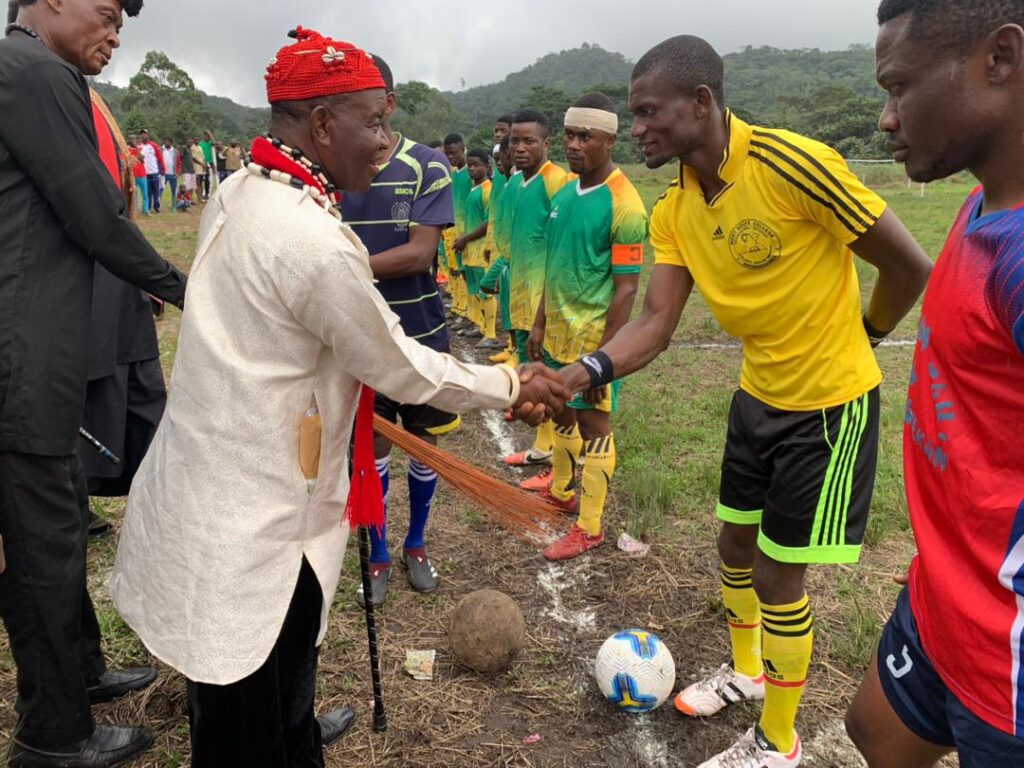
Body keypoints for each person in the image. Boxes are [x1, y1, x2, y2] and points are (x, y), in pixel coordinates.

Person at [108, 28, 567, 768]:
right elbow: (402, 367)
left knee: (264, 696)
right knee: (247, 710)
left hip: (222, 486)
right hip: (257, 517)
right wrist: (512, 382)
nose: (386, 142)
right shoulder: (312, 242)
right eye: (374, 122)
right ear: (322, 126)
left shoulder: (239, 192)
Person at [552, 35, 932, 768]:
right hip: (756, 400)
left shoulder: (793, 163)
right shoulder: (674, 209)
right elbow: (656, 322)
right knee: (733, 546)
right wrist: (583, 371)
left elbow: (908, 264)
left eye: (649, 112)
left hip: (828, 407)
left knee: (777, 573)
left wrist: (868, 332)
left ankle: (778, 742)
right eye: (633, 116)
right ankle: (750, 673)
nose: (639, 130)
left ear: (702, 103)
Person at [0, 0, 189, 764]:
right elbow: (98, 215)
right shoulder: (34, 72)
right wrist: (193, 289)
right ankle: (53, 735)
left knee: (61, 519)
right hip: (22, 360)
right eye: (107, 13)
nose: (115, 34)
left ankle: (80, 672)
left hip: (42, 352)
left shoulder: (36, 72)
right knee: (42, 545)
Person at [844, 3, 1024, 766]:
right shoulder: (983, 201)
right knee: (872, 731)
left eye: (900, 87)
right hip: (944, 594)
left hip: (1006, 658)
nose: (885, 119)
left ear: (1001, 59)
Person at [339, 54, 462, 607]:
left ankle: (416, 544)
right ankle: (380, 552)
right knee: (374, 446)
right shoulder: (334, 169)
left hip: (420, 333)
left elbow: (419, 254)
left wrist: (341, 265)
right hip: (360, 336)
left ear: (387, 101)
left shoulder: (428, 165)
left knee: (423, 445)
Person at [528, 93, 647, 561]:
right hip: (555, 333)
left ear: (610, 140)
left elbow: (627, 291)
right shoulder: (563, 195)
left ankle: (590, 526)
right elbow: (553, 266)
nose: (574, 145)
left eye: (585, 136)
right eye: (570, 135)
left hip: (592, 342)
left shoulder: (626, 205)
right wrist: (538, 323)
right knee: (560, 413)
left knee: (596, 426)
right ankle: (561, 491)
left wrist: (606, 358)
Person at [503, 109, 570, 486]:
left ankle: (559, 466)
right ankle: (543, 445)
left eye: (530, 141)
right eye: (515, 141)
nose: (521, 148)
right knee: (531, 368)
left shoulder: (557, 181)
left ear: (547, 143)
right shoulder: (515, 184)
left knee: (550, 375)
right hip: (521, 289)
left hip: (548, 296)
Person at [454, 148, 497, 347]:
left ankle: (490, 334)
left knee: (484, 291)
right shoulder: (473, 189)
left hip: (480, 250)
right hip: (469, 248)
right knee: (472, 287)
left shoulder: (488, 190)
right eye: (469, 165)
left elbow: (488, 222)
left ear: (487, 166)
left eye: (476, 165)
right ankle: (478, 324)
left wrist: (467, 238)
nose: (471, 168)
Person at [481, 136, 517, 363]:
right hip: (501, 251)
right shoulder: (507, 182)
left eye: (500, 159)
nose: (498, 164)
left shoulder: (524, 181)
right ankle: (512, 347)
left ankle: (516, 351)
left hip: (517, 256)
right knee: (497, 292)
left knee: (516, 304)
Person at [443, 132, 471, 329]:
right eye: (448, 154)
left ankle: (468, 312)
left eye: (454, 153)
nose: (451, 157)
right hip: (452, 230)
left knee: (465, 273)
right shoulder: (452, 174)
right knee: (454, 271)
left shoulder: (472, 172)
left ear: (463, 149)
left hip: (467, 232)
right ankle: (459, 308)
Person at [137, 128, 163, 213]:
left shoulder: (154, 145)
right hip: (144, 173)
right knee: (147, 192)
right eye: (142, 134)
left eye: (145, 134)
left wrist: (163, 169)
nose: (143, 135)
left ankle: (157, 206)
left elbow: (160, 158)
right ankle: (147, 208)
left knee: (156, 191)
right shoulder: (138, 146)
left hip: (154, 172)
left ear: (148, 135)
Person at [127, 132, 149, 215]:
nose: (133, 140)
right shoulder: (126, 150)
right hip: (132, 175)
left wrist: (136, 149)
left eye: (134, 139)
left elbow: (142, 160)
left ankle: (146, 211)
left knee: (145, 194)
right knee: (134, 195)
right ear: (128, 140)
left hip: (142, 174)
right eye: (131, 139)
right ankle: (135, 211)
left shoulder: (139, 148)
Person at [161, 136, 179, 212]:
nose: (166, 143)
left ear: (171, 143)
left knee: (174, 191)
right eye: (165, 141)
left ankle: (174, 207)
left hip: (173, 174)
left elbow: (178, 163)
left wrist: (178, 172)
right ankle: (159, 205)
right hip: (163, 174)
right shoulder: (160, 149)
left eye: (168, 141)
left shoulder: (175, 151)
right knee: (161, 190)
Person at [191, 136, 208, 201]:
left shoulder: (200, 147)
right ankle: (199, 197)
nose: (197, 141)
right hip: (196, 167)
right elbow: (194, 158)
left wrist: (204, 165)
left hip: (201, 168)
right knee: (197, 183)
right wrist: (202, 164)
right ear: (193, 140)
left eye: (198, 140)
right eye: (195, 140)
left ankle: (201, 197)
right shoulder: (192, 147)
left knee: (201, 183)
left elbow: (203, 157)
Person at [180, 137, 196, 203]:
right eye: (189, 142)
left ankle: (190, 199)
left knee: (192, 186)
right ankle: (183, 199)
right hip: (186, 170)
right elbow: (180, 156)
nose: (190, 143)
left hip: (191, 170)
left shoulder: (190, 149)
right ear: (186, 142)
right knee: (186, 186)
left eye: (192, 142)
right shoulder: (184, 147)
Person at [199, 129, 215, 197]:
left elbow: (215, 143)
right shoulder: (200, 143)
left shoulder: (210, 143)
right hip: (202, 163)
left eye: (208, 137)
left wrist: (210, 134)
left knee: (208, 179)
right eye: (206, 136)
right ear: (204, 137)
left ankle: (207, 193)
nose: (207, 138)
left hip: (210, 162)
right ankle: (202, 193)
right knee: (202, 179)